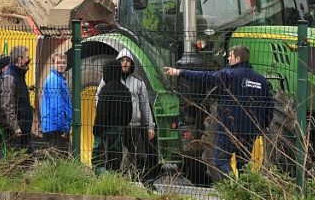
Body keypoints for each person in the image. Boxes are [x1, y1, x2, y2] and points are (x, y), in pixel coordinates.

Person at [164, 45, 274, 181]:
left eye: (230, 56)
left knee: (220, 160)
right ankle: (244, 193)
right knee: (244, 164)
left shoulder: (230, 74)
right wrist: (264, 125)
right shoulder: (261, 80)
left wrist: (179, 72)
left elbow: (205, 77)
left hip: (229, 128)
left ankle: (233, 187)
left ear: (237, 59)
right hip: (250, 130)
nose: (228, 58)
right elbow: (269, 105)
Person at [116, 50, 158, 182]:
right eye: (122, 60)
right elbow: (99, 97)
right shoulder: (110, 79)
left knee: (140, 156)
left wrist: (150, 126)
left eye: (127, 61)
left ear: (131, 64)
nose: (125, 63)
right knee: (122, 156)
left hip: (135, 127)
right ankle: (121, 182)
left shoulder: (138, 82)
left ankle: (137, 181)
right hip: (118, 127)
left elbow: (145, 106)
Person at [93, 59, 132, 172]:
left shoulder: (105, 90)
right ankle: (114, 177)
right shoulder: (125, 91)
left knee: (100, 160)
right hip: (119, 131)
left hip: (104, 131)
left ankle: (101, 180)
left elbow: (101, 113)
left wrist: (96, 129)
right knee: (115, 158)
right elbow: (129, 114)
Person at [0, 46, 34, 153]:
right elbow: (7, 104)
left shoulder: (19, 75)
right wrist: (15, 127)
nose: (29, 60)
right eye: (27, 57)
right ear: (19, 59)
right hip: (17, 130)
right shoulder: (10, 76)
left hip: (24, 127)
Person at [40, 53, 72, 156]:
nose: (61, 65)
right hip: (55, 127)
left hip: (54, 126)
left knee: (57, 160)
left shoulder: (58, 78)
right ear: (52, 64)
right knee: (59, 160)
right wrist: (64, 128)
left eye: (63, 63)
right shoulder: (54, 80)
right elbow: (57, 107)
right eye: (58, 63)